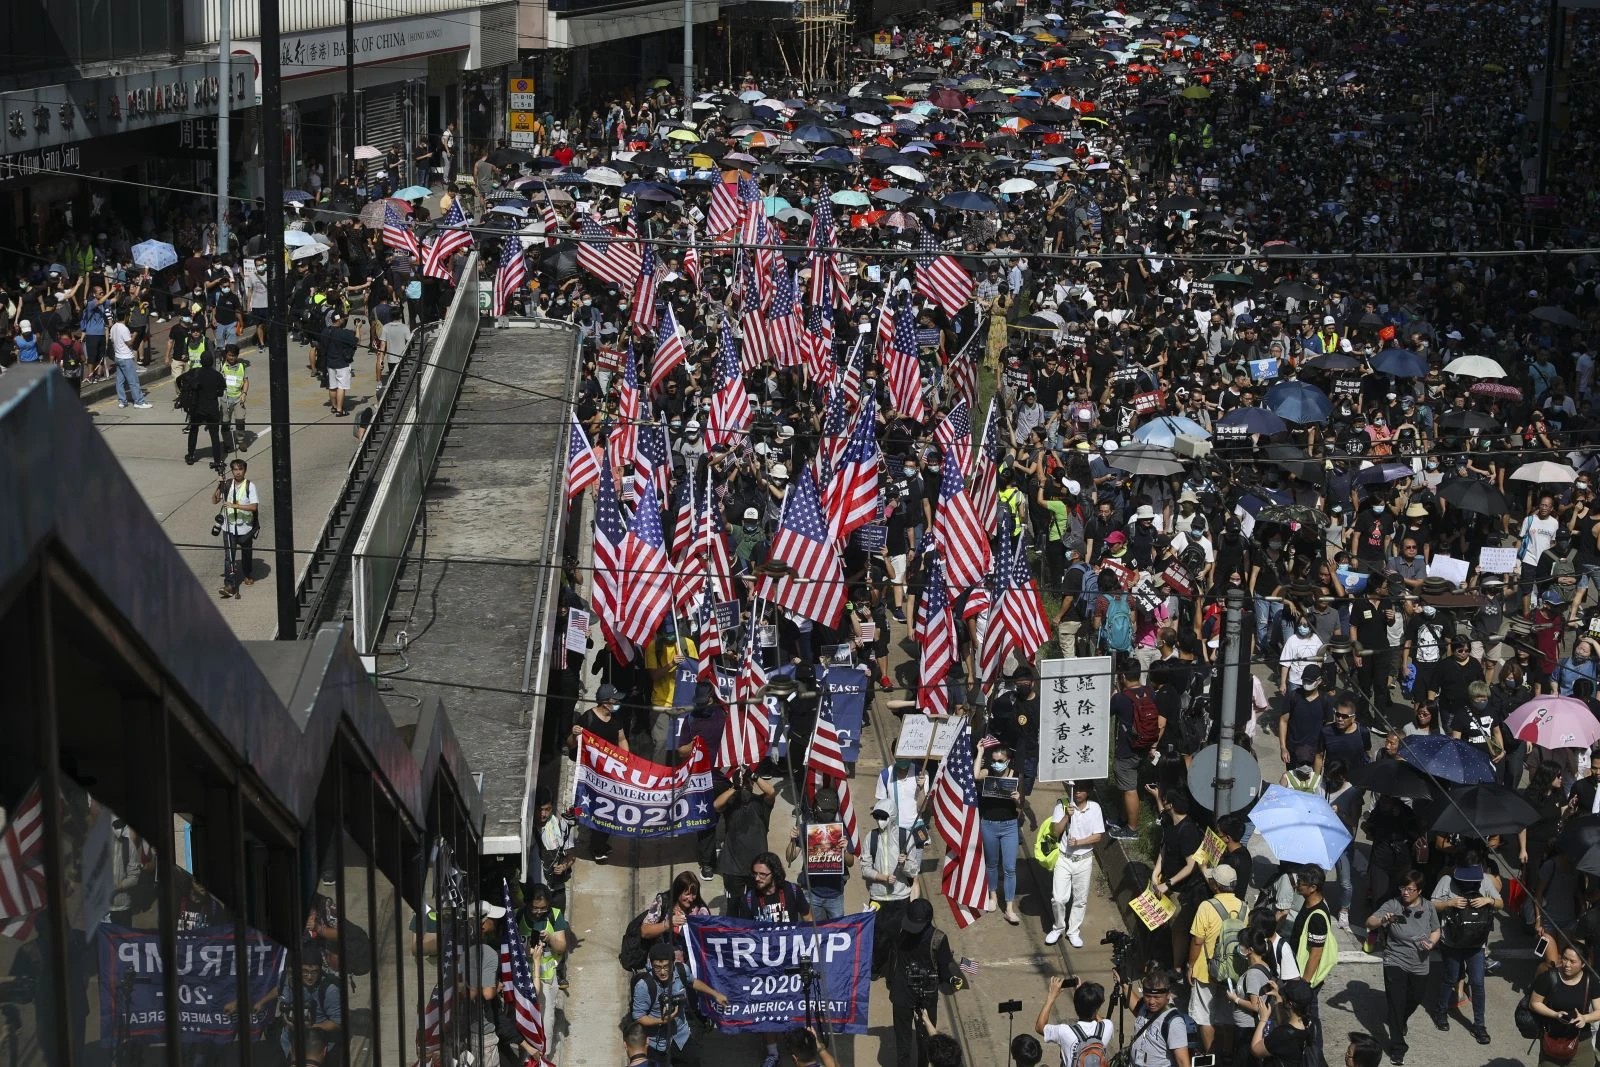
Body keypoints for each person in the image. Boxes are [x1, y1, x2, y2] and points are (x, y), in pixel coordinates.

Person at [1363, 870, 1440, 1065]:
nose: (1405, 892)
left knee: (1415, 998)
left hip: (1420, 963)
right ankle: (1398, 1047)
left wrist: (1431, 943)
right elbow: (1370, 922)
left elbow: (1436, 930)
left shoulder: (1429, 908)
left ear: (1419, 891)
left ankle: (1400, 1019)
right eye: (1403, 888)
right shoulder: (1393, 904)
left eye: (1410, 889)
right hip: (1394, 959)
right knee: (1396, 1003)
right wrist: (1383, 920)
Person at [1428, 860, 1499, 1044]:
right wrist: (1449, 903)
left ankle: (1479, 1025)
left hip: (1476, 943)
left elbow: (1501, 904)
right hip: (1452, 941)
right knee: (1450, 978)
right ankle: (1441, 1011)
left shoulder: (1485, 880)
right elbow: (1432, 904)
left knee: (1478, 982)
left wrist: (1488, 900)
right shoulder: (1446, 880)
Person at [885, 898, 962, 1067]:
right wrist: (950, 979)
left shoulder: (898, 925)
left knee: (905, 1040)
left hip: (909, 993)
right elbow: (944, 970)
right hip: (922, 993)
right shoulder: (939, 938)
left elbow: (881, 929)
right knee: (925, 1038)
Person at [629, 941, 727, 1066]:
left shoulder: (681, 970)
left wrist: (715, 994)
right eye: (657, 967)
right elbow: (639, 1016)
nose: (662, 972)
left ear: (673, 963)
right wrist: (661, 1021)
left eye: (666, 966)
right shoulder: (644, 986)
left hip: (682, 1037)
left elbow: (692, 982)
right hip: (657, 1046)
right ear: (651, 965)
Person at [1185, 864, 1245, 1057]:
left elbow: (1197, 941)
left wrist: (1190, 965)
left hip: (1206, 969)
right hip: (1234, 971)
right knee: (1228, 1016)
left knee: (1204, 1016)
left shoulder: (1206, 906)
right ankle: (1227, 1054)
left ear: (1215, 885)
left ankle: (1210, 1055)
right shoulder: (1244, 907)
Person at [568, 683, 629, 861]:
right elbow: (571, 744)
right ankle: (597, 848)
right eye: (615, 700)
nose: (618, 703)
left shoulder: (616, 719)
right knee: (598, 809)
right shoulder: (587, 719)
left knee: (608, 810)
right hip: (592, 776)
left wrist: (626, 761)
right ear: (605, 702)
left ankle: (601, 844)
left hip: (610, 774)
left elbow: (622, 739)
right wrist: (574, 734)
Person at [1044, 781, 1105, 947]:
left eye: (1081, 789)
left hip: (1084, 860)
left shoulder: (1095, 808)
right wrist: (1067, 815)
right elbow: (1055, 832)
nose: (1077, 792)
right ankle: (1058, 927)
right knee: (1058, 898)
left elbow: (1098, 836)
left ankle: (1073, 932)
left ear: (1089, 791)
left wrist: (1079, 842)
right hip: (1064, 858)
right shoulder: (1062, 805)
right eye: (1075, 789)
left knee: (1080, 899)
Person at [785, 785, 853, 920]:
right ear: (816, 808)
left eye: (830, 810)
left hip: (835, 894)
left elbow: (850, 863)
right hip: (811, 892)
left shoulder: (841, 831)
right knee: (809, 934)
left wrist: (844, 850)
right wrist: (793, 839)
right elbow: (790, 857)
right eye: (824, 809)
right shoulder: (805, 828)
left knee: (836, 932)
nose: (827, 813)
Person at [1529, 942, 1600, 1067]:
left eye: (1573, 962)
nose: (1567, 964)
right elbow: (1534, 1003)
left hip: (1581, 1041)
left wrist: (1585, 1018)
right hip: (1552, 1040)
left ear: (1583, 964)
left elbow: (1599, 1010)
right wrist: (1555, 1014)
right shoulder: (1549, 977)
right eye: (1565, 959)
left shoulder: (1591, 980)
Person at [975, 743, 1024, 924]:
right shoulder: (988, 773)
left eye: (1000, 761)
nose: (996, 764)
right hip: (988, 824)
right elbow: (975, 775)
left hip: (1010, 826)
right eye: (994, 761)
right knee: (992, 863)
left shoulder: (1015, 776)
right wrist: (980, 753)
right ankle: (993, 896)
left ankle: (1009, 908)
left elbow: (1021, 805)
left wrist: (1018, 799)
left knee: (1010, 868)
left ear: (1008, 760)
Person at [714, 766, 776, 908]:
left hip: (758, 868)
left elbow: (771, 792)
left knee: (758, 907)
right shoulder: (731, 803)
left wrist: (753, 775)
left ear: (753, 785)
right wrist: (735, 788)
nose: (745, 787)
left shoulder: (761, 803)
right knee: (734, 907)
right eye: (742, 783)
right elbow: (716, 805)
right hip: (732, 867)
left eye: (747, 783)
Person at [862, 802, 922, 933]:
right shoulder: (870, 837)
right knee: (878, 942)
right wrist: (883, 877)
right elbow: (865, 869)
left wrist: (905, 864)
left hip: (900, 900)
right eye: (876, 817)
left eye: (883, 817)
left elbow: (914, 871)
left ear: (892, 816)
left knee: (899, 942)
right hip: (878, 899)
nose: (879, 821)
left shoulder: (905, 836)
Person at [1035, 975, 1112, 1067]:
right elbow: (1098, 1016)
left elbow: (1040, 1027)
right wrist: (1086, 998)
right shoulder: (1107, 1026)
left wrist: (1051, 997)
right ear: (1098, 1007)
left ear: (1075, 1005)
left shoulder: (1064, 1031)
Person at [1125, 966, 1191, 1067]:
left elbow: (1183, 1062)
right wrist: (1124, 984)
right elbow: (1135, 1005)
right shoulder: (1144, 1007)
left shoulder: (1174, 1022)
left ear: (1168, 995)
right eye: (1147, 996)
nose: (1151, 1002)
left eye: (1157, 997)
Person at [213, 458, 258, 598]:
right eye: (235, 469)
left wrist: (235, 506)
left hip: (245, 528)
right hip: (229, 528)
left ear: (245, 470)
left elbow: (253, 507)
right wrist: (218, 486)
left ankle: (247, 573)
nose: (237, 472)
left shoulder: (250, 486)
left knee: (246, 553)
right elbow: (214, 500)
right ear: (231, 471)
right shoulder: (227, 484)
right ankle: (229, 585)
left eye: (240, 469)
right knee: (229, 557)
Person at [1246, 977, 1315, 1066]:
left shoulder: (1283, 1035)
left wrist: (1263, 1019)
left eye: (1284, 997)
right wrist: (1278, 999)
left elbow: (1256, 1050)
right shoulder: (1310, 1023)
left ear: (1289, 1004)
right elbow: (1283, 1022)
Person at [182, 350, 226, 471]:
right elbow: (221, 392)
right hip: (212, 408)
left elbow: (182, 380)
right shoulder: (217, 375)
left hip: (197, 407)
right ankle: (217, 461)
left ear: (201, 361)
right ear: (212, 362)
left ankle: (191, 456)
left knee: (194, 431)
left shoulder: (195, 372)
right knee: (214, 435)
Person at [108, 307, 151, 408]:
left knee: (120, 381)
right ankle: (139, 401)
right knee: (133, 381)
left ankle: (122, 401)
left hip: (118, 357)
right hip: (126, 358)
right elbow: (130, 343)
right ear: (126, 316)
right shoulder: (124, 328)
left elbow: (113, 340)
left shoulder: (114, 327)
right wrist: (135, 334)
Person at [320, 311, 359, 416]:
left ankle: (333, 406)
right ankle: (339, 410)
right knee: (341, 386)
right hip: (342, 364)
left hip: (330, 363)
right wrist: (358, 328)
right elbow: (357, 341)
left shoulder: (325, 331)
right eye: (343, 318)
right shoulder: (343, 333)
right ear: (340, 320)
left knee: (332, 386)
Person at [218, 344, 249, 454]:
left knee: (240, 420)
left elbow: (245, 381)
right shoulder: (221, 365)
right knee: (225, 423)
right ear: (226, 355)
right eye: (230, 355)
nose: (232, 358)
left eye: (234, 356)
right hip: (225, 399)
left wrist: (244, 393)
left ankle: (240, 441)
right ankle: (227, 444)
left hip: (238, 399)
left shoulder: (241, 366)